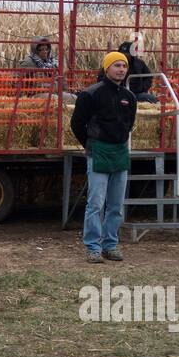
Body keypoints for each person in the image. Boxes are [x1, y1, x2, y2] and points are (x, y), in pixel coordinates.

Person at [70, 51, 138, 263]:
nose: (121, 69)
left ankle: (110, 245)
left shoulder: (130, 97)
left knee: (116, 205)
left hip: (119, 152)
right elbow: (76, 124)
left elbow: (130, 124)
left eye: (124, 66)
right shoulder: (91, 94)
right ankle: (92, 247)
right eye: (116, 65)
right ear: (106, 68)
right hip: (98, 151)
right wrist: (90, 145)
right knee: (96, 203)